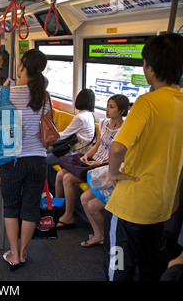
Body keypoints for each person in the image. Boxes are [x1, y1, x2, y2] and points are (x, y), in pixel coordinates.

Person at [105, 33, 183, 281]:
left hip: (131, 205)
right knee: (151, 265)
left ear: (151, 67)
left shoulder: (147, 102)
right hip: (163, 204)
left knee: (119, 265)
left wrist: (113, 173)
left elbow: (117, 148)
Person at [0, 49, 50, 271]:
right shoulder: (45, 96)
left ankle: (13, 253)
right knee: (30, 207)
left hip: (13, 159)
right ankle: (23, 250)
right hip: (38, 159)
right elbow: (46, 130)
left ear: (21, 67)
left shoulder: (6, 93)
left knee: (11, 206)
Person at [55, 94, 129, 229]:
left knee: (66, 177)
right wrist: (87, 156)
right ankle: (58, 208)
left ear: (121, 111)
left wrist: (99, 164)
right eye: (107, 105)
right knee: (60, 174)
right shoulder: (103, 123)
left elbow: (120, 156)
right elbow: (97, 145)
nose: (107, 109)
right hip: (93, 160)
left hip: (104, 165)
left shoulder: (124, 131)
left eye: (111, 107)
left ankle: (68, 215)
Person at [46, 89, 96, 167]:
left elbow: (64, 135)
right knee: (46, 149)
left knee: (42, 158)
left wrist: (47, 137)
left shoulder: (80, 118)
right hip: (79, 147)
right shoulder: (90, 115)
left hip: (75, 151)